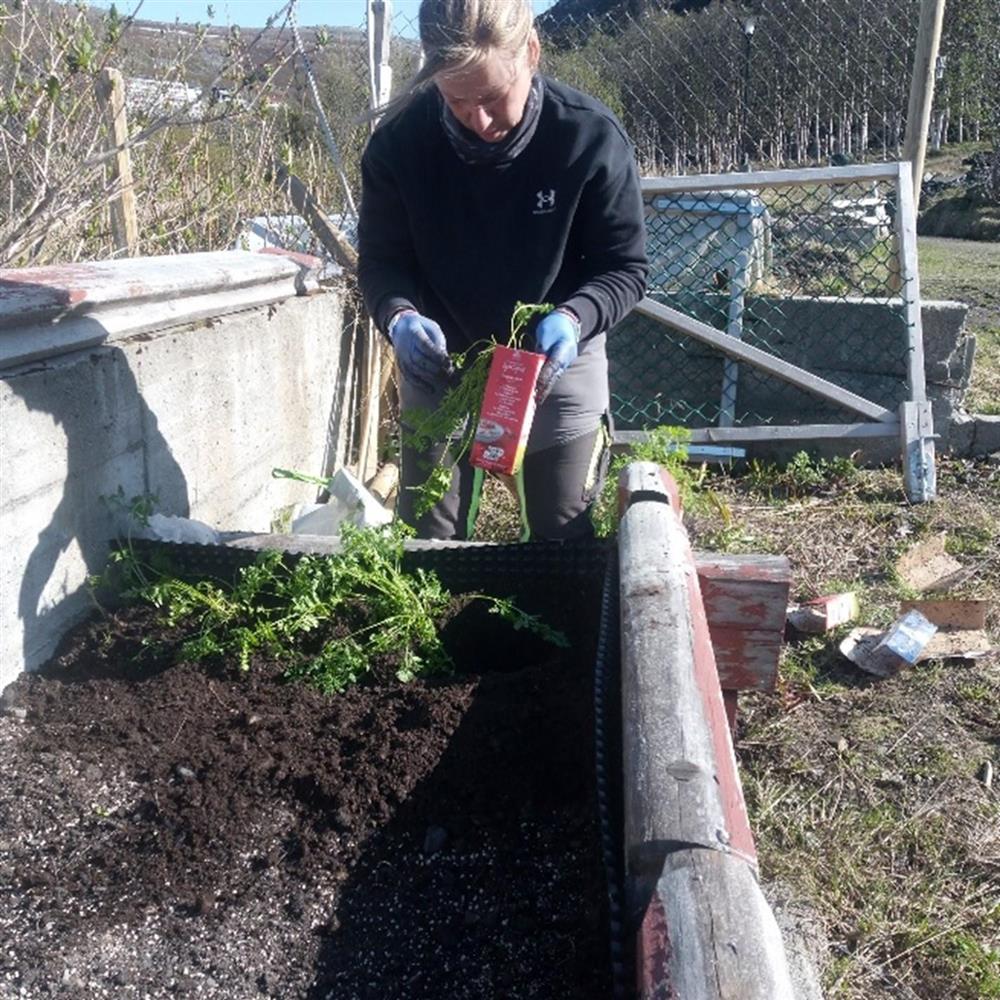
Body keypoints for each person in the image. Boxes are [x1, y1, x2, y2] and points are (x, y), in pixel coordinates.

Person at [357, 0, 648, 541]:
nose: (481, 120)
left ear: (531, 53)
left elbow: (623, 267)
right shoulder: (399, 146)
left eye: (492, 98)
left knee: (563, 540)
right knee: (427, 538)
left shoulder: (587, 138)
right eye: (457, 101)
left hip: (553, 360)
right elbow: (382, 261)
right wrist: (397, 316)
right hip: (441, 362)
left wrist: (575, 317)